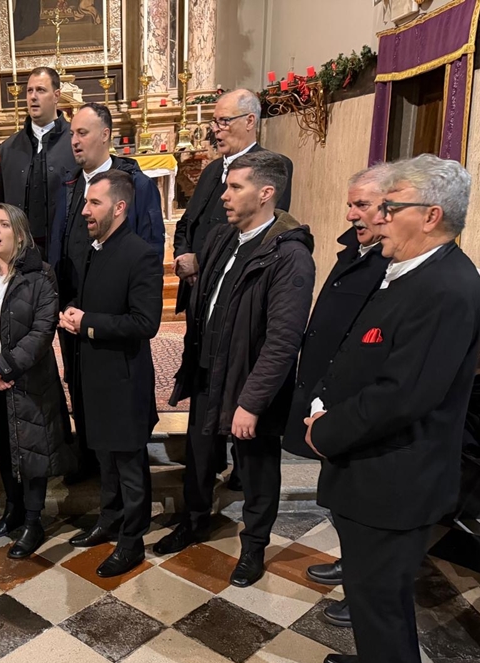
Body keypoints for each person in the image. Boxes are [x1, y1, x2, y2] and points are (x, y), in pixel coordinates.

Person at [307, 155, 480, 663]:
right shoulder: (411, 271)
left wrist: (326, 431)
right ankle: (378, 661)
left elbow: (402, 395)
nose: (377, 217)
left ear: (430, 216)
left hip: (398, 474)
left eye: (390, 207)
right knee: (368, 589)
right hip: (374, 468)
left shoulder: (446, 288)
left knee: (380, 595)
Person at [157, 151, 315, 589]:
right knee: (199, 455)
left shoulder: (290, 255)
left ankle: (254, 546)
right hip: (209, 369)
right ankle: (194, 521)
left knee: (257, 466)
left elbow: (283, 340)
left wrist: (253, 402)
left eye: (235, 187)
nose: (224, 196)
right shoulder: (222, 237)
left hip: (250, 382)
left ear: (265, 193)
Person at [279, 166, 391, 630]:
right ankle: (352, 567)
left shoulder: (392, 264)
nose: (350, 215)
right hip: (328, 390)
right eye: (350, 205)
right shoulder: (355, 250)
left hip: (356, 401)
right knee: (339, 496)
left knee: (362, 505)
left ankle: (366, 594)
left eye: (361, 205)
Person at [172, 88, 294, 493]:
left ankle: (242, 467)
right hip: (202, 291)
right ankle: (205, 470)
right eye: (214, 121)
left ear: (250, 121)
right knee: (205, 380)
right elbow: (188, 223)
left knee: (239, 385)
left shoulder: (272, 167)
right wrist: (184, 254)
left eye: (223, 121)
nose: (216, 129)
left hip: (240, 297)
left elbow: (262, 232)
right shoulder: (212, 170)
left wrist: (205, 262)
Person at [48, 102, 165, 484]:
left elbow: (149, 244)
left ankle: (119, 469)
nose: (74, 140)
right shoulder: (69, 184)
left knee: (116, 388)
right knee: (80, 382)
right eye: (72, 133)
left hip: (116, 310)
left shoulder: (135, 184)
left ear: (105, 135)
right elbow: (58, 240)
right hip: (74, 304)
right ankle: (89, 457)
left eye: (82, 133)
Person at [0, 204, 74, 558]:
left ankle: (34, 521)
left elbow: (42, 330)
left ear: (19, 234)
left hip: (28, 379)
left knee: (32, 448)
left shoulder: (40, 275)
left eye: (4, 224)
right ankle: (13, 510)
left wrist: (5, 367)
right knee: (4, 445)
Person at [61, 170, 163, 577]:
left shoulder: (141, 254)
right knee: (105, 457)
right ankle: (109, 518)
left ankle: (132, 541)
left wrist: (87, 322)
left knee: (130, 467)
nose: (85, 210)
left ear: (119, 207)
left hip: (124, 379)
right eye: (86, 202)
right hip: (93, 375)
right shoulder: (94, 249)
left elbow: (145, 322)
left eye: (94, 203)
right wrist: (74, 312)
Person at [0, 67, 76, 258]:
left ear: (56, 96)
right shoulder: (9, 148)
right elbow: (1, 203)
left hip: (66, 250)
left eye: (41, 90)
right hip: (20, 252)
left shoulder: (75, 142)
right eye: (29, 90)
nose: (33, 96)